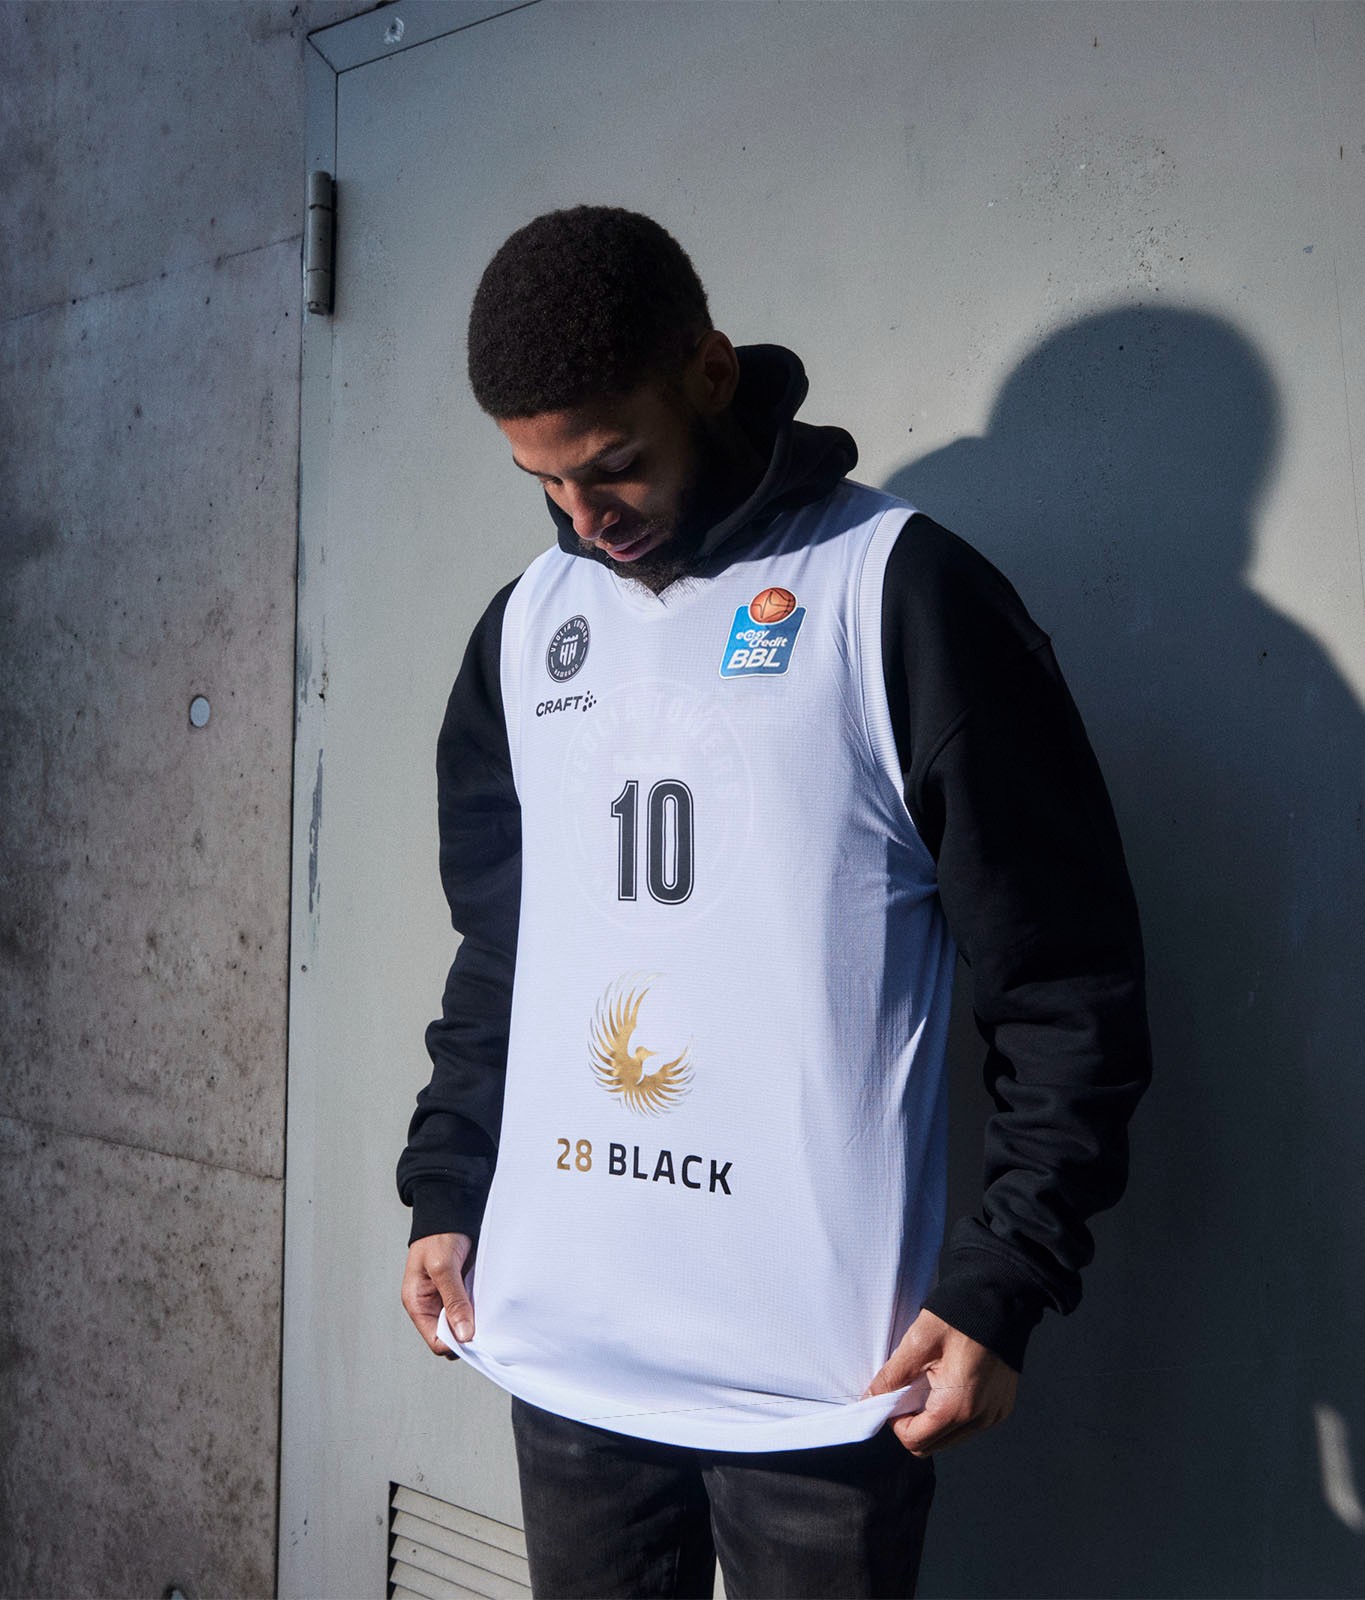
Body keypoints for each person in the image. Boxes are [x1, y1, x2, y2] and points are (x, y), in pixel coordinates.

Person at [398, 206, 1150, 1598]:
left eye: (613, 465)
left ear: (709, 373)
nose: (583, 518)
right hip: (566, 1362)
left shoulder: (895, 591)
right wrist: (446, 1186)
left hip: (819, 1394)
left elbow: (1065, 982)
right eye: (543, 482)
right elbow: (505, 952)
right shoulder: (523, 628)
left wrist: (1004, 1280)